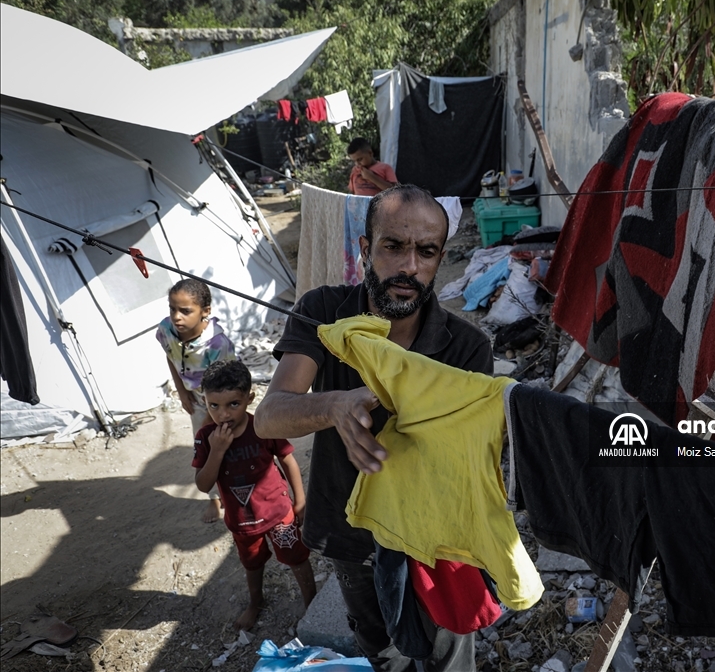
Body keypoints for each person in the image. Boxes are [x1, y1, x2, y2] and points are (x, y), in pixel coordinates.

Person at [255, 184, 490, 671]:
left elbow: (476, 460)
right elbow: (270, 414)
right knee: (383, 652)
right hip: (351, 533)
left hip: (436, 538)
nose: (408, 267)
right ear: (366, 249)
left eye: (425, 252)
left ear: (440, 259)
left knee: (447, 651)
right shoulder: (324, 312)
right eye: (393, 246)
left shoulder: (467, 349)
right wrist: (336, 406)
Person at [193, 360, 317, 631]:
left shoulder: (262, 425)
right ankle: (256, 602)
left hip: (279, 513)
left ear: (249, 398)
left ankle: (312, 603)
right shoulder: (206, 437)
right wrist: (217, 451)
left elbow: (287, 460)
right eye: (214, 405)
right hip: (242, 521)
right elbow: (203, 484)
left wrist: (300, 499)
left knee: (297, 558)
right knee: (251, 563)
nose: (223, 414)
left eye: (233, 404)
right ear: (205, 402)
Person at [156, 279, 236, 523]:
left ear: (205, 312)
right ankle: (214, 498)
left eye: (185, 311)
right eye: (172, 309)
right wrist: (181, 391)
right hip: (198, 400)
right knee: (204, 446)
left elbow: (230, 384)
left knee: (233, 444)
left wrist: (219, 413)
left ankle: (243, 491)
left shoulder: (217, 344)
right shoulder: (167, 329)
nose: (177, 317)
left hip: (225, 401)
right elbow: (170, 355)